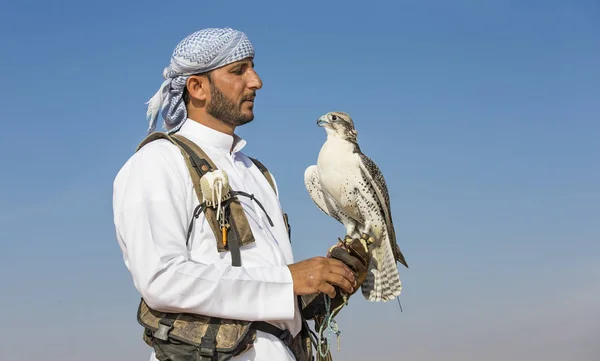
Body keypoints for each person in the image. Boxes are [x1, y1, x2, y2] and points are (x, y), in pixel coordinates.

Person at [112, 27, 371, 361]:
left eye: (253, 67)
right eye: (238, 71)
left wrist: (325, 282)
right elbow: (162, 279)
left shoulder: (257, 173)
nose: (256, 81)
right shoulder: (157, 162)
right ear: (197, 87)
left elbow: (268, 298)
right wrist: (288, 279)